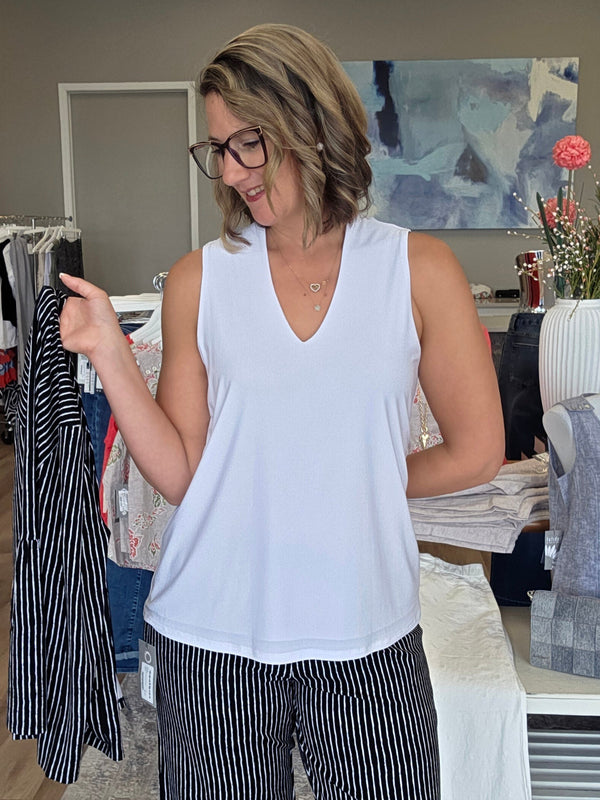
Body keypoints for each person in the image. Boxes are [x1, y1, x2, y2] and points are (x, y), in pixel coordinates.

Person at [59, 23, 504, 800]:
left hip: (369, 632)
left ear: (312, 123)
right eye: (217, 149)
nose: (232, 172)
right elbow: (184, 474)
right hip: (212, 633)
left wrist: (350, 482)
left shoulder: (418, 270)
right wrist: (110, 354)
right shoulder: (201, 279)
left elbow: (477, 450)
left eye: (248, 143)